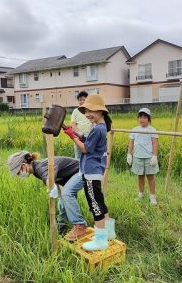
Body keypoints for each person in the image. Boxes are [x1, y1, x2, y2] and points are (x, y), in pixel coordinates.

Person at [63, 94, 115, 251]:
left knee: (95, 206)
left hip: (91, 172)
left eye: (90, 111)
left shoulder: (98, 129)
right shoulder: (100, 127)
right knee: (100, 203)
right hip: (94, 171)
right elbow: (87, 139)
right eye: (85, 111)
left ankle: (100, 241)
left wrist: (73, 137)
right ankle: (109, 232)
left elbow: (85, 148)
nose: (87, 114)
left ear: (100, 111)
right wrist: (74, 133)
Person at [7, 151, 89, 241]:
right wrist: (56, 189)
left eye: (18, 172)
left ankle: (80, 226)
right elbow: (54, 177)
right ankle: (60, 232)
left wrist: (51, 186)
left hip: (84, 170)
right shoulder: (36, 169)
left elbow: (48, 177)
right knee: (62, 204)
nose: (19, 175)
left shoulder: (40, 167)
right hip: (72, 175)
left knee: (67, 193)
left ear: (24, 165)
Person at [126, 108, 159, 205]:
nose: (142, 119)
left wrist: (154, 156)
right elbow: (131, 143)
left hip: (149, 157)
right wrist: (129, 154)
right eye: (140, 117)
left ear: (149, 119)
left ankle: (152, 196)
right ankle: (140, 194)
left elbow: (155, 144)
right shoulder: (134, 130)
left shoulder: (152, 130)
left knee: (150, 177)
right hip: (137, 157)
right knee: (140, 177)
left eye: (145, 117)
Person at [70, 91, 92, 159]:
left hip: (90, 137)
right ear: (78, 101)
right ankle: (78, 169)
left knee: (89, 156)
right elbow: (73, 124)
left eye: (84, 100)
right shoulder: (75, 111)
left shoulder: (91, 110)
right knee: (78, 157)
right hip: (79, 137)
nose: (82, 101)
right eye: (80, 100)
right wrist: (80, 134)